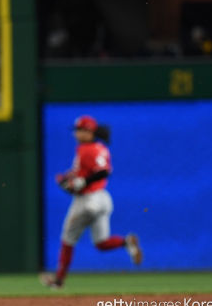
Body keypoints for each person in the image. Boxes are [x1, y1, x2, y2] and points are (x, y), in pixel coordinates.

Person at [40, 115, 143, 289]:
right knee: (101, 243)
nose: (76, 134)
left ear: (88, 132)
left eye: (79, 130)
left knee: (67, 240)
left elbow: (103, 171)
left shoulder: (88, 149)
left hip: (88, 201)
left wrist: (81, 182)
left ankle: (58, 281)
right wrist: (68, 178)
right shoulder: (96, 147)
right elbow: (86, 172)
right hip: (103, 199)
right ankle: (126, 242)